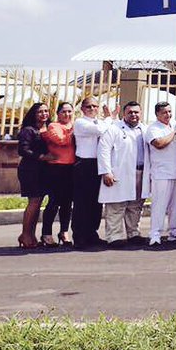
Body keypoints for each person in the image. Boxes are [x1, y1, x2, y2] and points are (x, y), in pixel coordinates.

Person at [98, 102, 147, 247]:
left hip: (140, 172)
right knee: (116, 206)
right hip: (119, 173)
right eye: (130, 112)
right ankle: (114, 236)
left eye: (136, 112)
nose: (133, 115)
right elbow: (103, 150)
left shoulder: (144, 129)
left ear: (140, 113)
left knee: (135, 205)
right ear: (124, 114)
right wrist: (106, 171)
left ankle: (133, 233)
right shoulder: (114, 129)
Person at [71, 97, 110, 249]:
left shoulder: (100, 122)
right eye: (88, 106)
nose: (92, 109)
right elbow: (100, 130)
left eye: (95, 106)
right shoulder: (80, 122)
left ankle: (92, 233)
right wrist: (109, 118)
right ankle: (79, 236)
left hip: (98, 164)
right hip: (84, 164)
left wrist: (107, 120)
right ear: (82, 108)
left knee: (96, 202)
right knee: (82, 202)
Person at [143, 103, 176, 246]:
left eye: (169, 111)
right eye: (164, 112)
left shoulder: (175, 125)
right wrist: (175, 132)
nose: (168, 115)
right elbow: (159, 143)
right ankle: (155, 233)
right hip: (161, 173)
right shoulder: (153, 128)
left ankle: (174, 231)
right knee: (159, 205)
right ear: (157, 114)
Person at [41, 101, 76, 247]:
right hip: (56, 168)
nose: (67, 114)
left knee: (67, 203)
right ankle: (46, 233)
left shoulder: (74, 126)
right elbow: (61, 140)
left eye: (69, 111)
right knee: (54, 202)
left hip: (71, 168)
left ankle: (64, 231)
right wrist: (74, 131)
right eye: (64, 111)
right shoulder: (53, 126)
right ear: (58, 113)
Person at [16, 103, 51, 249]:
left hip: (44, 171)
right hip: (30, 170)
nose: (44, 114)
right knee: (34, 201)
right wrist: (41, 157)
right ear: (34, 114)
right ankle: (25, 234)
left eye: (46, 111)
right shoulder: (28, 130)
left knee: (38, 202)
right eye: (40, 112)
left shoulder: (49, 128)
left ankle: (31, 235)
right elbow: (23, 150)